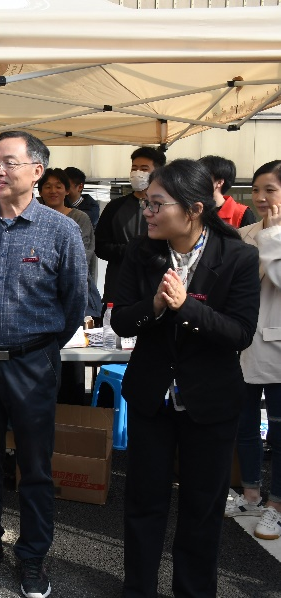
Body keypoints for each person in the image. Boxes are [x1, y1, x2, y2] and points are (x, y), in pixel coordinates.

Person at [110, 159, 260, 597]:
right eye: (147, 203)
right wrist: (156, 305)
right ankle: (138, 587)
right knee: (144, 501)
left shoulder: (236, 256)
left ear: (194, 209)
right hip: (151, 397)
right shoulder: (141, 252)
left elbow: (240, 333)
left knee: (202, 506)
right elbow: (122, 322)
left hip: (210, 400)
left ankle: (193, 590)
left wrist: (186, 307)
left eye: (157, 204)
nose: (148, 212)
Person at [0, 131, 86, 598]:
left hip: (33, 362)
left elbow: (75, 300)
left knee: (35, 466)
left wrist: (43, 348)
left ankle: (33, 556)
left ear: (37, 170)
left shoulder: (60, 229)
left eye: (9, 162)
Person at [229, 160, 281, 541]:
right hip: (243, 344)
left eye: (270, 190)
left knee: (279, 432)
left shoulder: (266, 236)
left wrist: (273, 237)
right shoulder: (245, 233)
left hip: (278, 348)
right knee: (244, 426)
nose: (261, 198)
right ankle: (250, 494)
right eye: (257, 190)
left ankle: (276, 505)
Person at [96, 147, 166, 307]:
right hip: (118, 282)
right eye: (134, 168)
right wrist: (129, 250)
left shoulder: (166, 207)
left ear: (157, 172)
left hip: (155, 282)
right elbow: (100, 246)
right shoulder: (115, 207)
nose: (137, 173)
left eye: (144, 169)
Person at [38, 168, 100, 318]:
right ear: (40, 192)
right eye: (47, 186)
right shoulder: (35, 219)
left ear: (66, 191)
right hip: (41, 292)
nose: (53, 191)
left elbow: (82, 256)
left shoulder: (79, 218)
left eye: (58, 186)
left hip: (74, 290)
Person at [198, 155, 258, 229]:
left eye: (202, 176)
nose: (196, 181)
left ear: (219, 182)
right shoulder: (192, 210)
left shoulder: (242, 214)